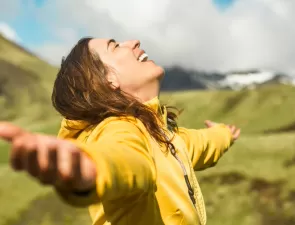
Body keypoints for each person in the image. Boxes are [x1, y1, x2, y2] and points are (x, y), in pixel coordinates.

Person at [0, 37, 240, 225]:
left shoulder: (162, 133)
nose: (134, 42)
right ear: (108, 79)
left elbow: (199, 144)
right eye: (114, 46)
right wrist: (89, 167)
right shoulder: (121, 128)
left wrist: (223, 134)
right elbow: (123, 158)